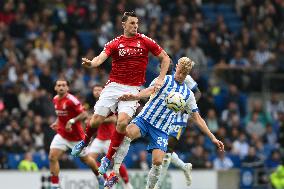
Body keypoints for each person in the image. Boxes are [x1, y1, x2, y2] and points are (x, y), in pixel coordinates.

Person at [71, 10, 170, 176]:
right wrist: (92, 64)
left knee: (122, 122)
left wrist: (160, 79)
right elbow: (100, 58)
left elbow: (165, 58)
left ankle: (107, 158)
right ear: (123, 24)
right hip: (113, 86)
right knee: (95, 121)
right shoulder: (115, 43)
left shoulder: (145, 41)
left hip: (133, 88)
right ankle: (84, 142)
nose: (135, 26)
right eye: (132, 23)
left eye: (137, 23)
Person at [105, 57, 224, 188]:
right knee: (127, 135)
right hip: (145, 119)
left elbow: (197, 118)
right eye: (179, 71)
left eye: (184, 73)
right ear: (176, 66)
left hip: (161, 129)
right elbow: (149, 90)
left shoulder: (188, 95)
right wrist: (135, 96)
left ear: (187, 73)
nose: (180, 74)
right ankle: (115, 173)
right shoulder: (164, 80)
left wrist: (213, 137)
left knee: (157, 162)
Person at [49, 78, 104, 189]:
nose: (61, 87)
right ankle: (55, 185)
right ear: (55, 87)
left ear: (67, 88)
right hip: (62, 134)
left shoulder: (72, 100)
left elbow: (83, 114)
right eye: (59, 85)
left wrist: (72, 121)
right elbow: (61, 115)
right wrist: (56, 122)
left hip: (76, 137)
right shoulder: (55, 99)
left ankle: (99, 177)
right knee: (52, 157)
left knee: (86, 159)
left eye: (63, 85)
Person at [154, 61, 202, 189]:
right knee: (162, 149)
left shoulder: (184, 76)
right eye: (162, 65)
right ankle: (184, 166)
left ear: (172, 64)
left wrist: (186, 106)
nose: (165, 66)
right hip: (163, 118)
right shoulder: (161, 79)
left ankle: (157, 186)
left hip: (179, 119)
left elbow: (197, 93)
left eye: (167, 63)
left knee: (166, 150)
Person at [87, 85, 133, 189]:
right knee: (90, 160)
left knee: (116, 162)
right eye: (95, 90)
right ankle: (107, 180)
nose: (97, 92)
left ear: (103, 91)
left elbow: (114, 119)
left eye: (99, 90)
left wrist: (98, 120)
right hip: (99, 138)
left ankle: (126, 183)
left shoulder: (109, 103)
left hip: (110, 138)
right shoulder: (95, 105)